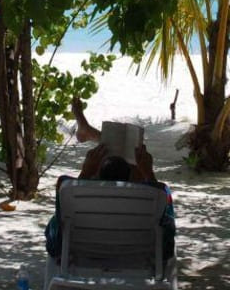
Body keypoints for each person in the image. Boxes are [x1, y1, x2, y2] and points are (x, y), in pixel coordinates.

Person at [44, 101, 176, 259]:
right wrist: (148, 173)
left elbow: (54, 239)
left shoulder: (68, 188)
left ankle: (89, 133)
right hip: (138, 258)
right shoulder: (158, 193)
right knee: (139, 176)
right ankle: (90, 132)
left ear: (96, 175)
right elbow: (168, 235)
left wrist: (85, 173)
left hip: (83, 255)